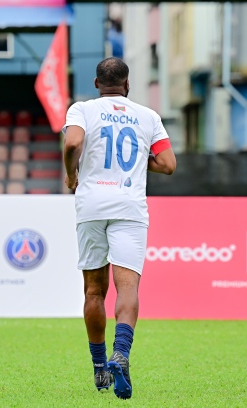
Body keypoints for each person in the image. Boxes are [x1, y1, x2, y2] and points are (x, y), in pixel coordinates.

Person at [63, 57, 176, 400]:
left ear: (96, 84)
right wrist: (141, 160)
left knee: (93, 292)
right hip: (129, 207)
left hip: (92, 206)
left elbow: (72, 144)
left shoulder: (81, 109)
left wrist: (71, 175)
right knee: (128, 288)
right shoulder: (148, 116)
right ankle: (121, 354)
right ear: (128, 85)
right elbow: (168, 164)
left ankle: (99, 368)